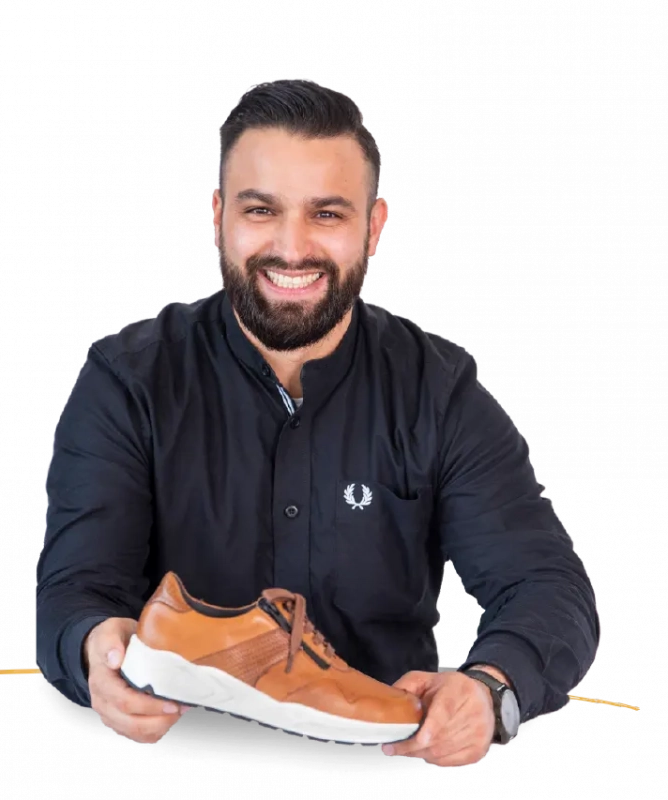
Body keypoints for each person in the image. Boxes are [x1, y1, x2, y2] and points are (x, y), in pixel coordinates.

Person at [34, 77, 601, 768]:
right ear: (218, 215)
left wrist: (489, 689)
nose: (291, 247)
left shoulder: (438, 390)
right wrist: (96, 651)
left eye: (326, 214)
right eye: (261, 210)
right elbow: (76, 589)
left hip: (386, 762)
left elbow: (546, 585)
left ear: (374, 226)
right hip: (170, 758)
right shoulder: (127, 380)